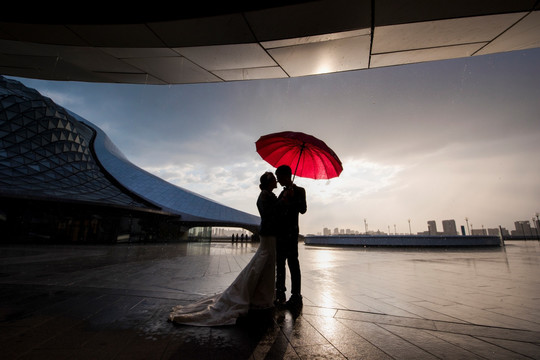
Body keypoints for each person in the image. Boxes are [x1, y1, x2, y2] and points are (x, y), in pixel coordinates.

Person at [168, 172, 279, 326]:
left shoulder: (262, 196)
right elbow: (276, 213)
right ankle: (259, 297)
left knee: (262, 263)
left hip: (265, 233)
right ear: (269, 182)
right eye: (274, 179)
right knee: (264, 264)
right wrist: (285, 200)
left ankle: (259, 295)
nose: (276, 181)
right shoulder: (270, 197)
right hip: (270, 233)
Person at [274, 165, 307, 312]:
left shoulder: (300, 191)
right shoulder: (281, 194)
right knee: (280, 263)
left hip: (292, 233)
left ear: (286, 176)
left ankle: (296, 295)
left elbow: (303, 209)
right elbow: (277, 211)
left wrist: (293, 199)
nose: (277, 180)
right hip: (280, 233)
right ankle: (280, 292)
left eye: (279, 177)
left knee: (293, 263)